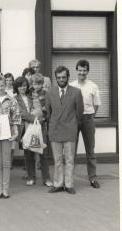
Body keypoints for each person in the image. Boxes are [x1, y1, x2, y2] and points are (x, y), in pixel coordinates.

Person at [46, 66, 83, 194]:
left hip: (69, 129)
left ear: (68, 77)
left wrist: (72, 125)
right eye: (59, 77)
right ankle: (57, 184)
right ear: (56, 78)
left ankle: (69, 185)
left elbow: (79, 113)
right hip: (55, 129)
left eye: (63, 77)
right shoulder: (50, 92)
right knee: (57, 159)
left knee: (69, 159)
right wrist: (52, 125)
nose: (61, 79)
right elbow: (48, 112)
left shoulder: (76, 92)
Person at [14, 76, 52, 187]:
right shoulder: (15, 99)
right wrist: (35, 118)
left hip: (40, 126)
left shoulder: (32, 95)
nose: (22, 88)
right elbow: (20, 113)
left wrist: (42, 118)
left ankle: (46, 178)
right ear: (17, 87)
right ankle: (31, 177)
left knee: (43, 152)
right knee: (28, 153)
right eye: (20, 86)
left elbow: (42, 108)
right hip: (26, 127)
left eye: (24, 85)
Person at [0, 74, 20, 199]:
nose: (0, 88)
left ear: (5, 86)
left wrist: (16, 133)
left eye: (2, 85)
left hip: (7, 135)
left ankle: (6, 189)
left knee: (6, 163)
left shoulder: (11, 100)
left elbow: (16, 117)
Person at [70, 59, 101, 189]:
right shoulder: (71, 86)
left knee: (90, 150)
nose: (82, 73)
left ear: (87, 71)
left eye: (84, 70)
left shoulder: (93, 86)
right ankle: (69, 180)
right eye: (80, 70)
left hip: (88, 119)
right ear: (76, 71)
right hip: (74, 119)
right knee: (71, 150)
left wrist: (90, 117)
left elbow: (96, 104)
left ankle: (93, 178)